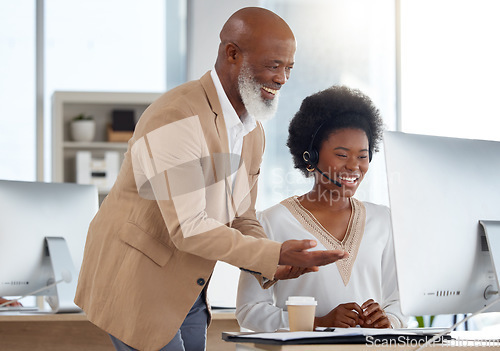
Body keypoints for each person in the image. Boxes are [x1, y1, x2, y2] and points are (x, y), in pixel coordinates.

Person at [74, 7, 348, 351]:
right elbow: (189, 228)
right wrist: (272, 252)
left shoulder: (252, 131)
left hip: (187, 287)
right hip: (137, 282)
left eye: (288, 68)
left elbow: (242, 215)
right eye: (273, 65)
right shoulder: (176, 117)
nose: (282, 79)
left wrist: (270, 264)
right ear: (232, 54)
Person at [236, 86, 407, 332]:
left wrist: (389, 320)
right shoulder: (270, 222)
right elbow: (249, 310)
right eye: (341, 154)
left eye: (362, 156)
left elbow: (399, 301)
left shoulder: (383, 220)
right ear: (311, 157)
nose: (354, 166)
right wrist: (317, 323)